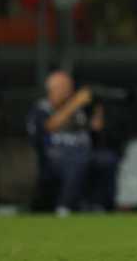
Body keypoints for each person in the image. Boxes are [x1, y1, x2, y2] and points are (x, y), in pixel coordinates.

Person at [25, 70, 102, 215]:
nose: (68, 91)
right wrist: (75, 103)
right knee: (76, 160)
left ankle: (100, 205)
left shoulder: (80, 111)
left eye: (69, 87)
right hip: (53, 157)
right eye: (63, 87)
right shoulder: (42, 108)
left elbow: (94, 130)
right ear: (51, 89)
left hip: (83, 153)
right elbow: (50, 126)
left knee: (107, 160)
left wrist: (98, 109)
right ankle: (64, 206)